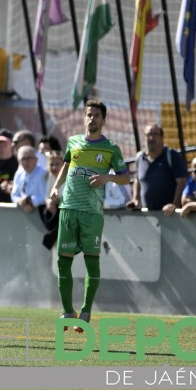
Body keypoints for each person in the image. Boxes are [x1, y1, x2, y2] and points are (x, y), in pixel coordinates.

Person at [49, 100, 129, 332]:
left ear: (104, 120)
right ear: (84, 118)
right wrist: (56, 188)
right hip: (68, 208)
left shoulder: (112, 148)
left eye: (96, 115)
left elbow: (125, 178)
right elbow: (66, 167)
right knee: (63, 261)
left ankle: (85, 312)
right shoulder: (73, 142)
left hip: (92, 213)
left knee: (91, 263)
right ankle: (67, 311)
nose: (92, 118)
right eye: (88, 114)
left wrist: (108, 178)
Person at [127, 123, 188, 216]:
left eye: (155, 134)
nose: (151, 138)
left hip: (169, 216)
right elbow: (137, 180)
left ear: (162, 138)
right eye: (148, 135)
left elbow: (182, 182)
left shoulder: (172, 156)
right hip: (148, 216)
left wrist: (174, 205)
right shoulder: (140, 158)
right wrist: (135, 199)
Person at [11, 145, 48, 213]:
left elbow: (45, 197)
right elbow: (14, 195)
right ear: (19, 161)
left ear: (36, 160)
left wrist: (30, 201)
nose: (26, 161)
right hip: (23, 212)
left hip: (41, 212)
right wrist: (20, 202)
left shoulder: (43, 173)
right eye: (23, 159)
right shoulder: (18, 175)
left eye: (29, 158)